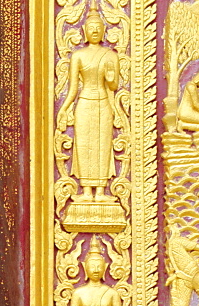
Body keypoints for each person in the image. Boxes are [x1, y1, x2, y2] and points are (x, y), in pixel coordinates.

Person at [61, 7, 120, 202]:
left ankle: (101, 191)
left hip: (103, 103)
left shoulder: (110, 55)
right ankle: (86, 190)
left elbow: (114, 85)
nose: (95, 30)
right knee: (84, 145)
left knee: (102, 144)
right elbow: (72, 89)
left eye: (98, 27)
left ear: (103, 31)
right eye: (91, 27)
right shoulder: (78, 56)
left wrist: (111, 78)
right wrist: (64, 108)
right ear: (85, 31)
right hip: (84, 103)